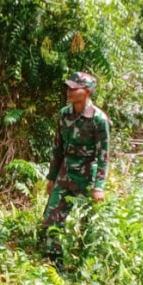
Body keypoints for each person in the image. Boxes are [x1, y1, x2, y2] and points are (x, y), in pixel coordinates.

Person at [42, 71, 110, 271]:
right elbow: (58, 148)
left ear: (87, 91)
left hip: (87, 177)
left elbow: (104, 155)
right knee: (50, 221)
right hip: (65, 175)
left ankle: (86, 267)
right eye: (68, 87)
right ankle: (54, 267)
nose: (69, 91)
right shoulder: (64, 114)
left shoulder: (98, 119)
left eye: (74, 88)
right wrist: (52, 177)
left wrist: (99, 187)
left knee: (88, 226)